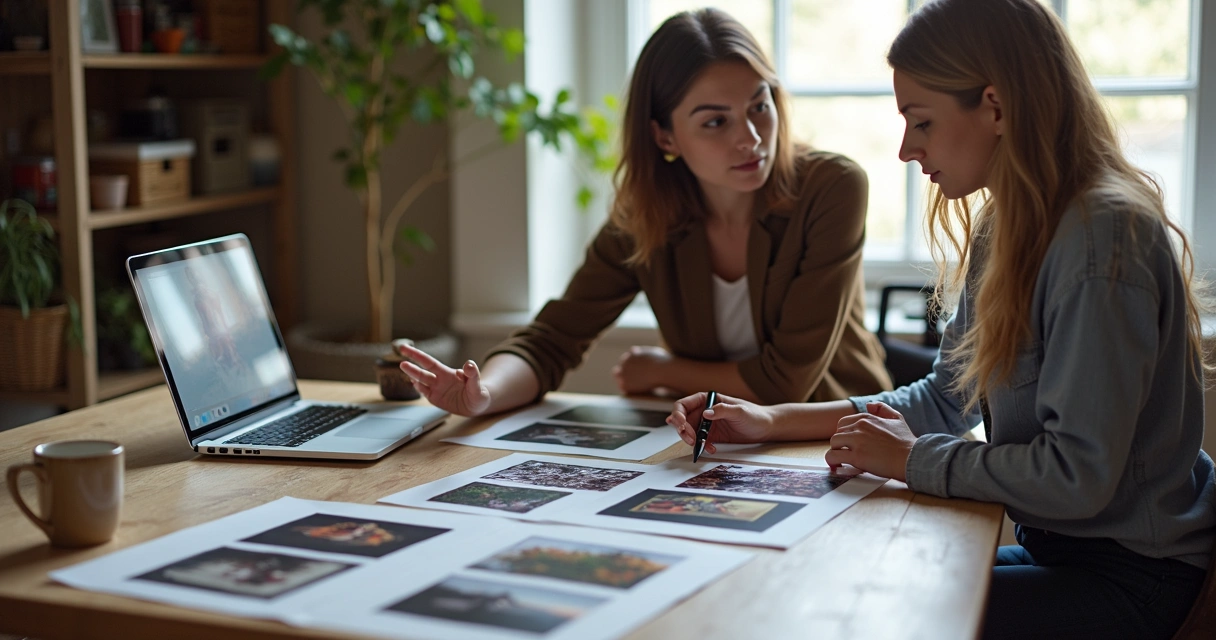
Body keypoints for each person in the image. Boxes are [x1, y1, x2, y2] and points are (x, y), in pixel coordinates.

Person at [668, 1, 1215, 638]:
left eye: (920, 122)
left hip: (1136, 577)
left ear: (997, 106)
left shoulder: (1101, 238)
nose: (905, 150)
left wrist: (911, 461)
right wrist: (768, 421)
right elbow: (942, 397)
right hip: (1069, 555)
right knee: (845, 584)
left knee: (871, 616)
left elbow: (1077, 478)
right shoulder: (1008, 223)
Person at [397, 8, 892, 417]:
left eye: (760, 105)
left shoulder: (832, 188)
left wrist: (663, 371)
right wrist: (483, 395)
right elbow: (551, 341)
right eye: (716, 121)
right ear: (664, 136)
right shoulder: (647, 217)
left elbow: (786, 382)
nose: (752, 138)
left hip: (834, 434)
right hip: (716, 438)